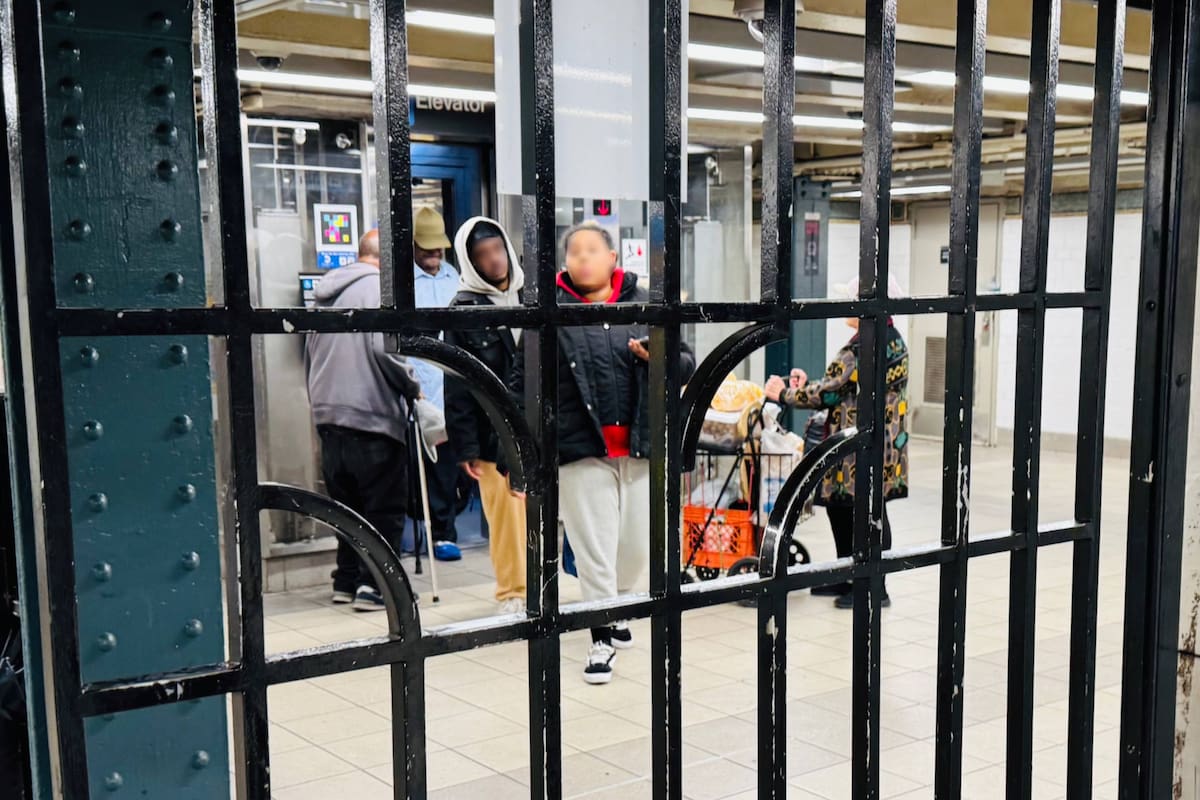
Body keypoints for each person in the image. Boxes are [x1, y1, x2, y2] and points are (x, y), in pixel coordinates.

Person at [511, 221, 696, 684]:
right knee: (595, 551)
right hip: (579, 451)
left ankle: (614, 607)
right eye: (574, 251)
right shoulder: (548, 313)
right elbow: (522, 385)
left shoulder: (645, 305)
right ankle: (598, 638)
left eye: (593, 249)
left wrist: (658, 356)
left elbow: (686, 362)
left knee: (634, 550)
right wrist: (517, 458)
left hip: (640, 449)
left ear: (614, 258)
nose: (583, 258)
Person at [764, 275, 909, 609]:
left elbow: (829, 392)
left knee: (867, 514)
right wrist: (807, 383)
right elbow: (842, 386)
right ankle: (850, 575)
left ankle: (873, 586)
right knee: (848, 510)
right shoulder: (888, 338)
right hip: (875, 444)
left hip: (862, 447)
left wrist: (784, 393)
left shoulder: (865, 344)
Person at [305, 230, 422, 612]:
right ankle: (377, 587)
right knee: (383, 508)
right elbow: (383, 348)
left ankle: (346, 580)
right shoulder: (378, 289)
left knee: (347, 508)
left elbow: (308, 353)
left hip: (328, 415)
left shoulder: (325, 294)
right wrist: (410, 384)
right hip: (371, 415)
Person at [444, 217, 528, 614]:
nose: (494, 260)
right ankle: (512, 592)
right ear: (470, 262)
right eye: (482, 255)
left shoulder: (534, 295)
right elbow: (457, 386)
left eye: (497, 248)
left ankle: (545, 586)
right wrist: (466, 448)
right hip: (492, 431)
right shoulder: (462, 310)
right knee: (506, 517)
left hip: (541, 427)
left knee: (543, 510)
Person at [411, 206, 466, 561]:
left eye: (438, 248)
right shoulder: (402, 284)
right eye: (426, 248)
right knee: (420, 471)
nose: (433, 255)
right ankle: (426, 531)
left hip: (452, 393)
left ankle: (446, 529)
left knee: (451, 469)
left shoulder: (455, 280)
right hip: (416, 390)